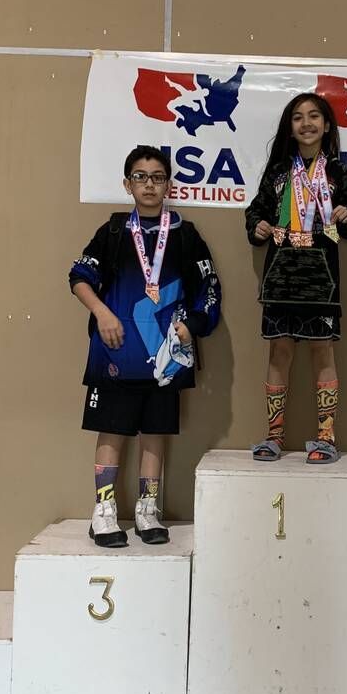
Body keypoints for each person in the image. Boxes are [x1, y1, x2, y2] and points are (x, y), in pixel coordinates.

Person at [69, 145, 222, 547]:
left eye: (157, 177)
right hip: (116, 353)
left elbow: (208, 288)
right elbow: (80, 277)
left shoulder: (185, 235)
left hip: (166, 359)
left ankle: (146, 508)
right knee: (112, 429)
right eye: (141, 176)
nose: (149, 184)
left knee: (155, 432)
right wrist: (102, 314)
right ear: (127, 183)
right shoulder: (114, 232)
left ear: (168, 184)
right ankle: (103, 511)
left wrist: (192, 324)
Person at [244, 93, 347, 464]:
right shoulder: (278, 170)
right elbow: (255, 212)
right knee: (279, 351)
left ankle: (326, 437)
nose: (307, 123)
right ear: (290, 127)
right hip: (281, 274)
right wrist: (258, 226)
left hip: (321, 276)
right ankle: (273, 436)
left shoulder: (337, 171)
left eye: (315, 116)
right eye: (298, 117)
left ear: (327, 125)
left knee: (322, 351)